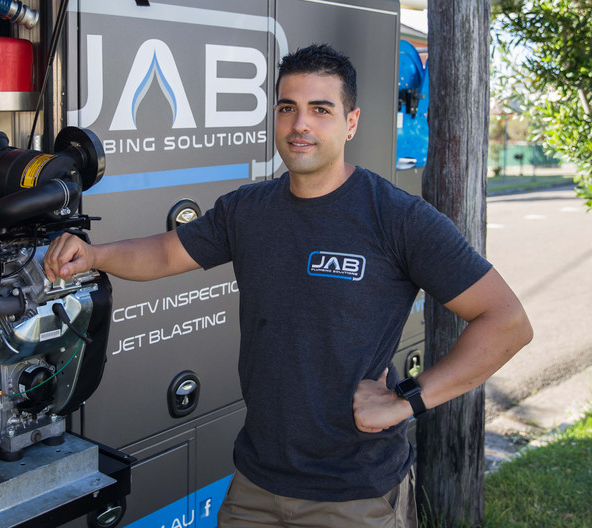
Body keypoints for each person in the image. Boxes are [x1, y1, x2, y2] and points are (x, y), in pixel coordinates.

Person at [43, 44, 532, 527]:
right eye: (287, 108)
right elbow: (168, 252)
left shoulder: (398, 218)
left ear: (351, 122)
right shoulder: (248, 210)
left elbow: (506, 322)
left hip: (354, 496)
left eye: (321, 110)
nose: (301, 124)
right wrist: (95, 255)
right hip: (256, 484)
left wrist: (408, 399)